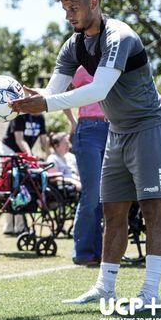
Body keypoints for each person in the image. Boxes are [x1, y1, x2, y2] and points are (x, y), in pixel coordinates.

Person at [10, 0, 161, 310]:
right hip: (117, 130)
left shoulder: (120, 36)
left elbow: (97, 90)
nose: (68, 16)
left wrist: (46, 103)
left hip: (149, 126)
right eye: (65, 9)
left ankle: (150, 292)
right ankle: (105, 288)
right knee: (111, 211)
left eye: (73, 9)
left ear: (93, 3)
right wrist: (17, 100)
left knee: (153, 209)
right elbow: (51, 92)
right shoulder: (74, 45)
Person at [65, 66, 109, 266]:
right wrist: (73, 123)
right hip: (88, 129)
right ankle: (83, 252)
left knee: (104, 195)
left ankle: (99, 251)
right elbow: (62, 93)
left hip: (113, 129)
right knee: (91, 194)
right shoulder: (82, 68)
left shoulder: (113, 65)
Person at [0, 113, 49, 235]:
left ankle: (19, 227)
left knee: (23, 186)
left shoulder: (39, 117)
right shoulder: (20, 115)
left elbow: (44, 140)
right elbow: (19, 140)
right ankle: (11, 226)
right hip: (8, 150)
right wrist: (30, 155)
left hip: (22, 154)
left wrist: (48, 155)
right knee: (11, 186)